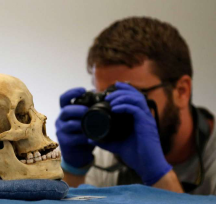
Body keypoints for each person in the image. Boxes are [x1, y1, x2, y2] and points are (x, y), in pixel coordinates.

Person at [56, 16, 216, 195]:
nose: (114, 111)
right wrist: (73, 169)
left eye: (131, 96)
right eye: (104, 96)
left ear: (181, 91)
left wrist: (157, 174)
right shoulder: (107, 153)